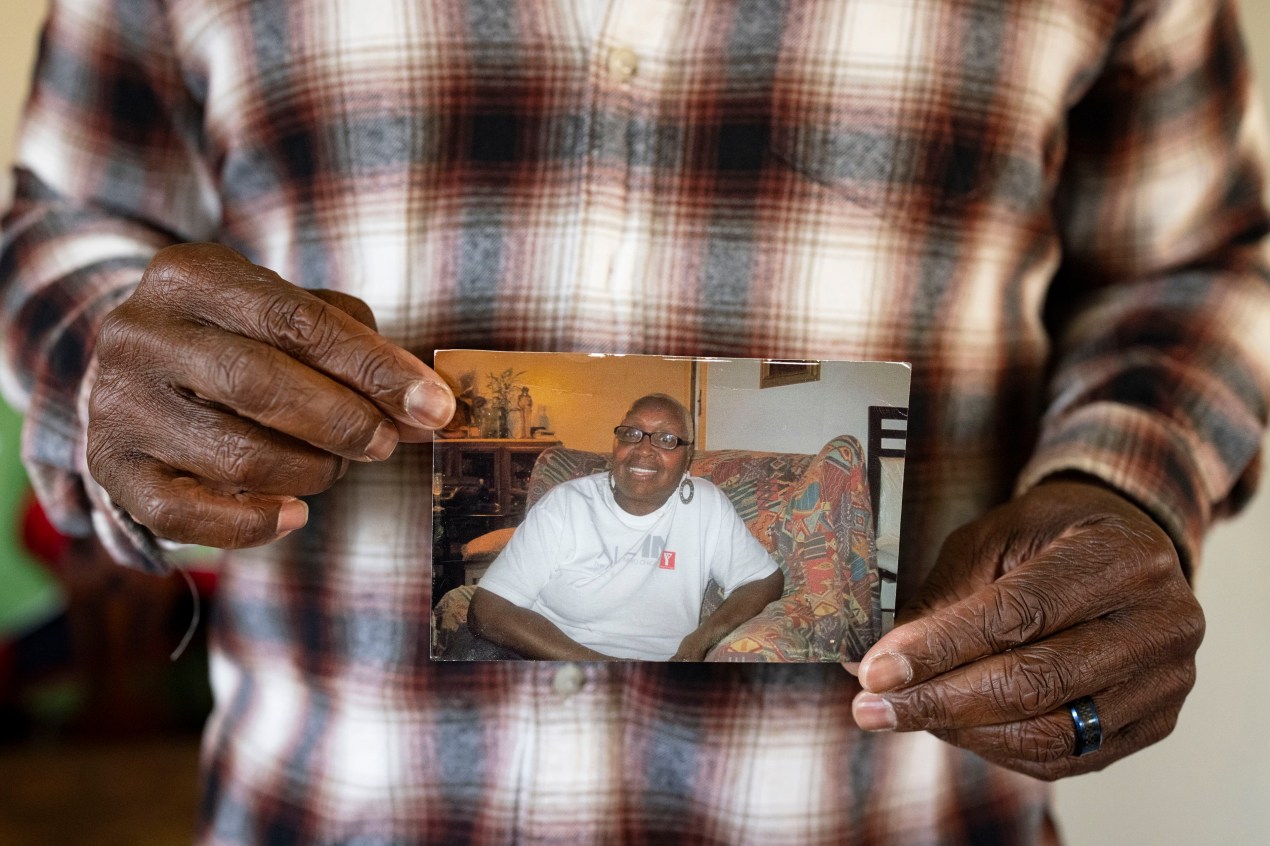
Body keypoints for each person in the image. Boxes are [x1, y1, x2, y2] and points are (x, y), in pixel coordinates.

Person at [2, 0, 1268, 842]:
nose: (654, 451)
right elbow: (63, 216)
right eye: (643, 439)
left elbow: (1193, 263)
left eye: (667, 438)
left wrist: (1122, 487)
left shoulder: (714, 505)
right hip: (323, 806)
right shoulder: (562, 509)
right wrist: (102, 360)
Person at [466, 393, 784, 661]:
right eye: (631, 434)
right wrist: (604, 667)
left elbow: (762, 581)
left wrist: (700, 640)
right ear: (615, 444)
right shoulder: (566, 503)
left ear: (688, 457)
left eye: (666, 439)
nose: (644, 449)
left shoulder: (706, 505)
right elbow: (488, 611)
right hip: (553, 656)